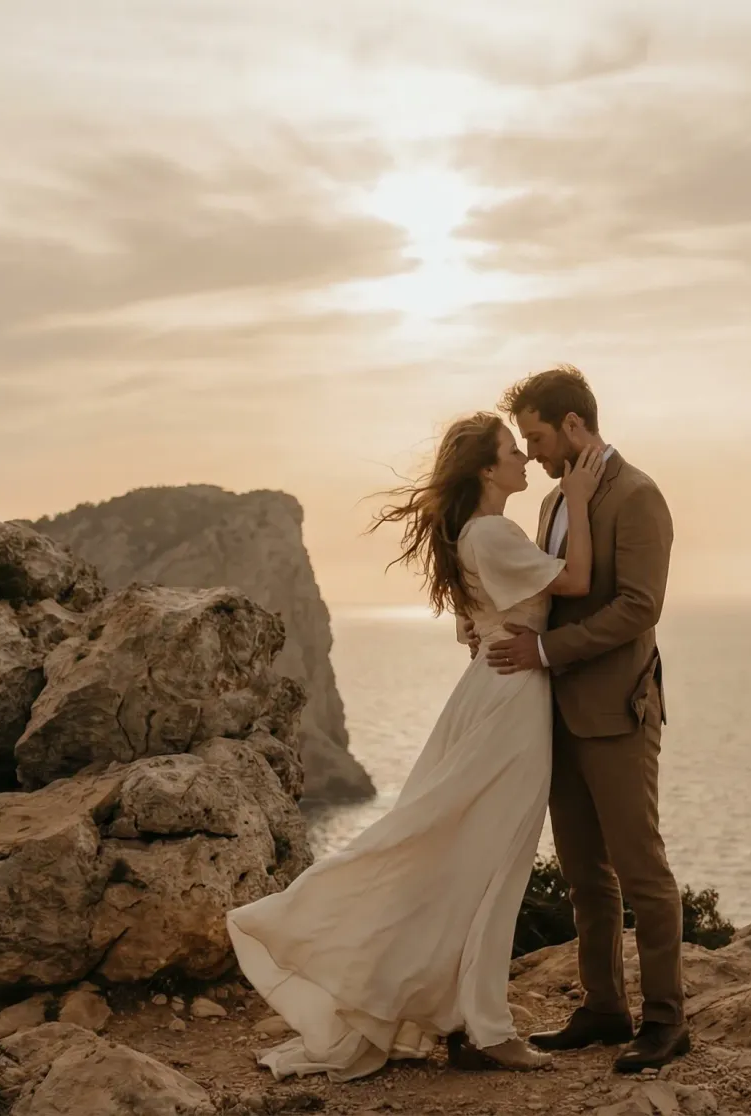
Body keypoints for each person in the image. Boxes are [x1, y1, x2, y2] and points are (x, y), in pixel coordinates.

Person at [225, 410, 607, 1081]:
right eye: (511, 451)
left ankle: (462, 1018)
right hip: (511, 702)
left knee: (468, 857)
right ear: (486, 469)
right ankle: (485, 1027)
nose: (523, 459)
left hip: (490, 691)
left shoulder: (471, 534)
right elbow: (576, 583)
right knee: (496, 862)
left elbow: (477, 624)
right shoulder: (492, 532)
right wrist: (577, 500)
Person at [482, 365, 686, 1074]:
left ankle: (666, 1020)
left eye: (538, 438)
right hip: (555, 712)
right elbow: (551, 592)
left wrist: (543, 651)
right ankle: (604, 1008)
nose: (532, 453)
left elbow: (639, 607)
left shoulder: (638, 495)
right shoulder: (551, 503)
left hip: (617, 711)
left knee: (641, 870)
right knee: (583, 875)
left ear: (573, 425)